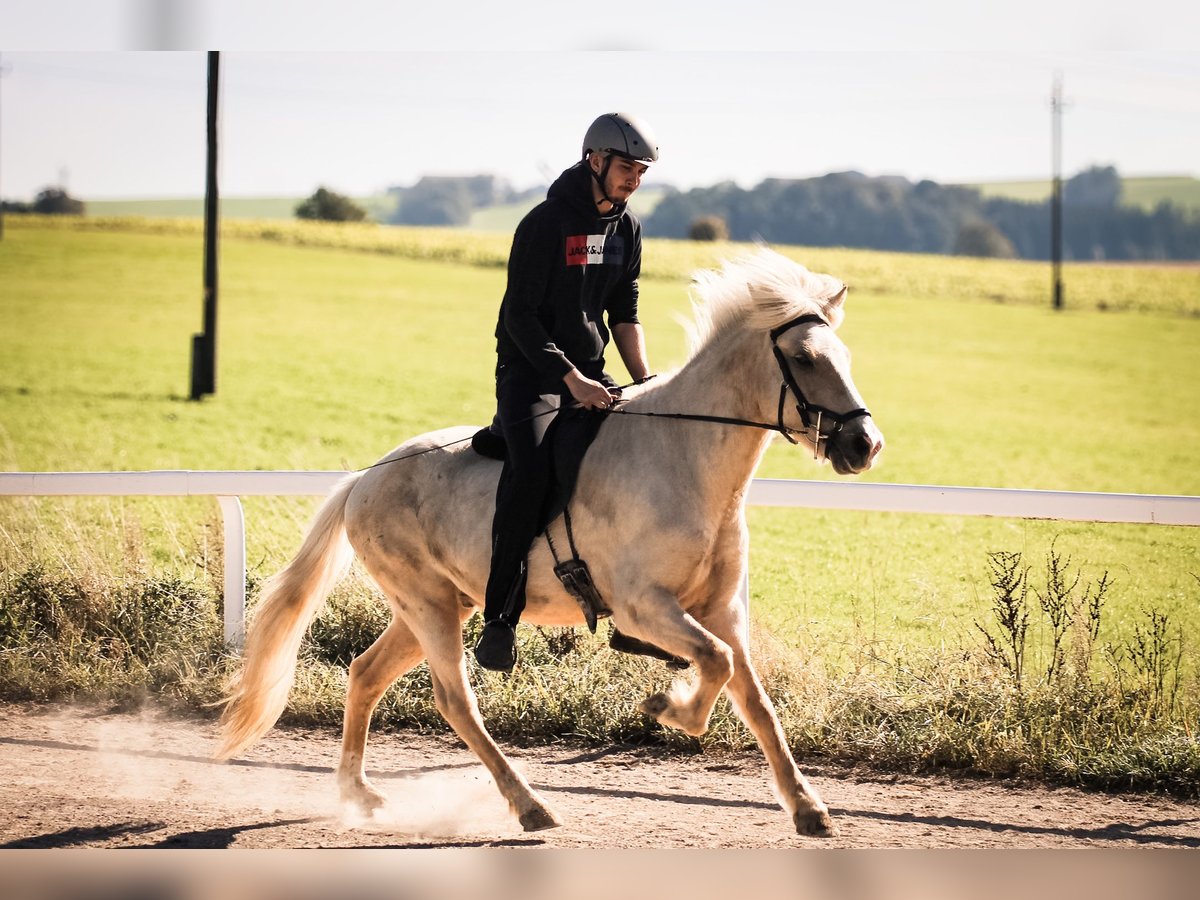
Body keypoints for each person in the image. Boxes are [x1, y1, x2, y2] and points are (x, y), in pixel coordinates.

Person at [474, 112, 659, 672]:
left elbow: (623, 312)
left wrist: (646, 382)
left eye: (642, 170)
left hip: (591, 375)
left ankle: (633, 618)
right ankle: (500, 620)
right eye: (627, 166)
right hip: (531, 377)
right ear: (596, 160)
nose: (635, 178)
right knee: (530, 474)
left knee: (638, 464)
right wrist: (570, 380)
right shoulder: (543, 224)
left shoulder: (626, 229)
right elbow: (521, 318)